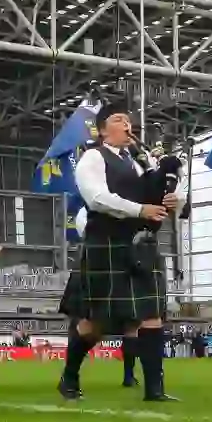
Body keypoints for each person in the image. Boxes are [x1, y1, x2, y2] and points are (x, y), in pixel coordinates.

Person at [57, 101, 182, 402]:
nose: (127, 123)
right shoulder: (93, 158)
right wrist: (141, 209)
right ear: (102, 130)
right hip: (107, 244)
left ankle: (155, 390)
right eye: (118, 119)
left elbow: (160, 197)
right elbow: (97, 198)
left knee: (152, 316)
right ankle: (69, 375)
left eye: (129, 119)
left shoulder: (142, 162)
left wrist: (175, 201)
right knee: (94, 325)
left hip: (142, 245)